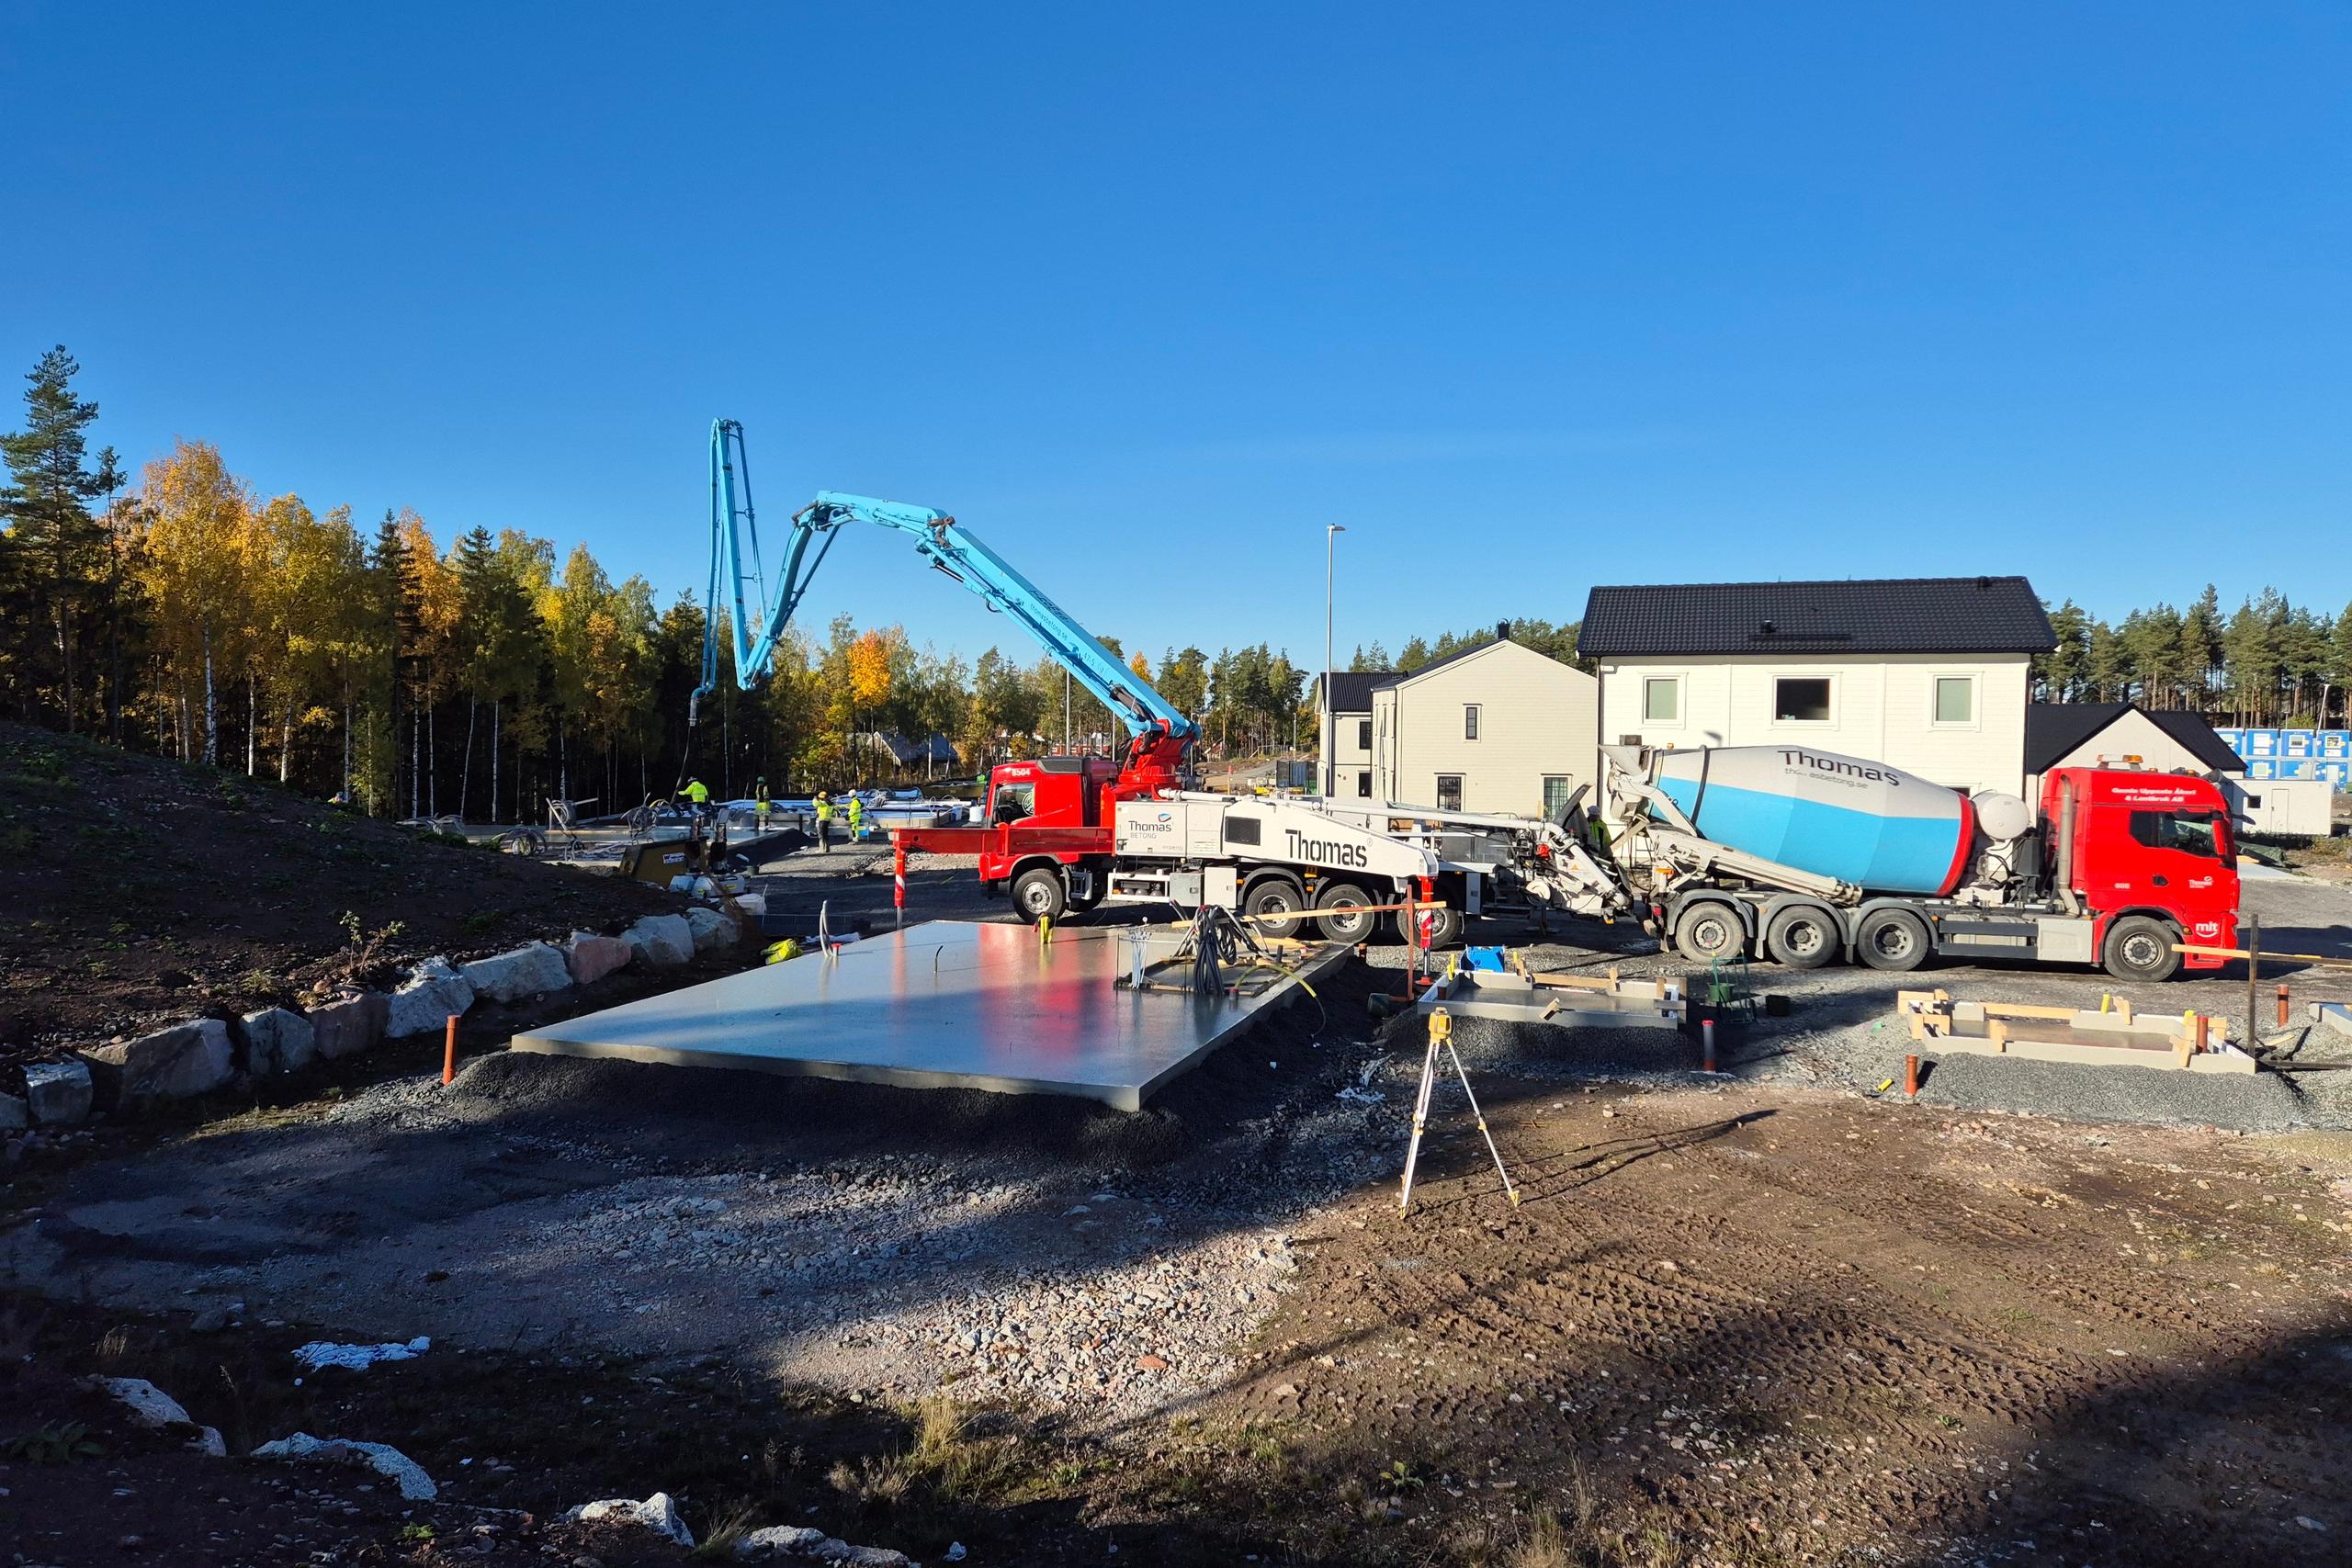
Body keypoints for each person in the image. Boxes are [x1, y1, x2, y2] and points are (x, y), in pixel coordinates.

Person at [814, 789, 834, 853]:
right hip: (827, 820)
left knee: (821, 835)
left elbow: (815, 804)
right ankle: (827, 848)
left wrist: (815, 798)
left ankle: (822, 849)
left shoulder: (823, 803)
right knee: (825, 834)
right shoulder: (830, 804)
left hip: (822, 820)